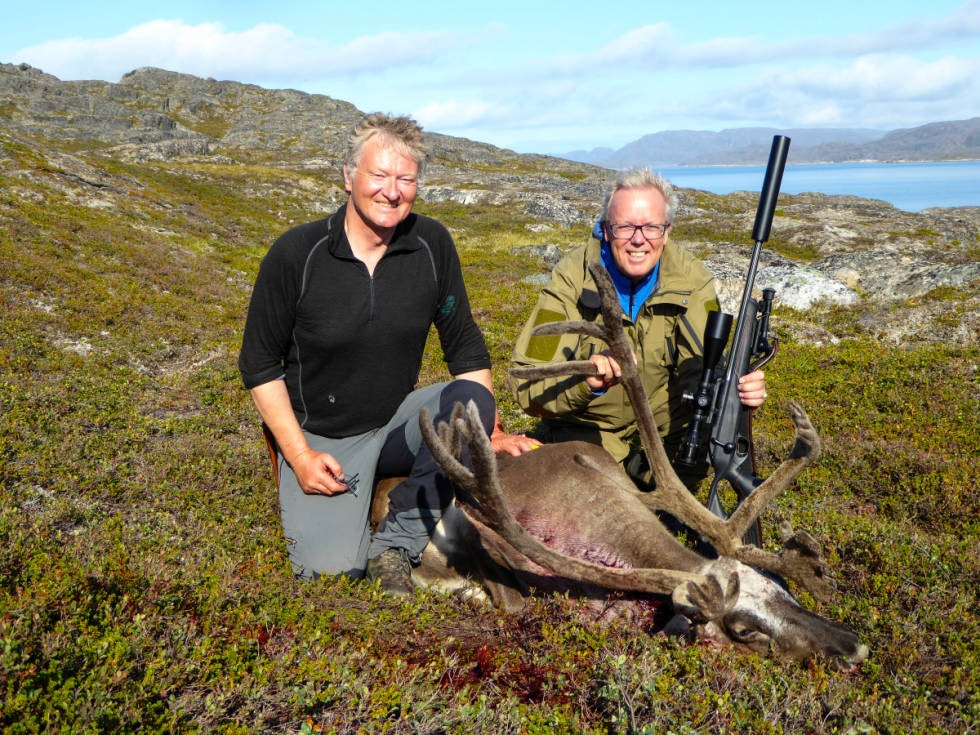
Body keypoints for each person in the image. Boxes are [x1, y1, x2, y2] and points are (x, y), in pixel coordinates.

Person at [239, 113, 537, 593]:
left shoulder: (431, 244)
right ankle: (350, 523)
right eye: (379, 175)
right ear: (348, 176)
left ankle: (395, 544)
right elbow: (258, 365)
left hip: (399, 424)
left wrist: (490, 434)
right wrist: (299, 455)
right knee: (331, 574)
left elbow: (463, 343)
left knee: (468, 400)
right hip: (326, 439)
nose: (392, 191)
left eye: (405, 179)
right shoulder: (297, 254)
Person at [509, 168, 766, 491]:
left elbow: (702, 374)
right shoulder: (571, 280)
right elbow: (527, 388)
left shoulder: (691, 280)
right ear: (606, 230)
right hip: (592, 436)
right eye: (625, 227)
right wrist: (585, 382)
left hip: (665, 439)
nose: (639, 239)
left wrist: (735, 391)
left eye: (651, 227)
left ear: (667, 232)